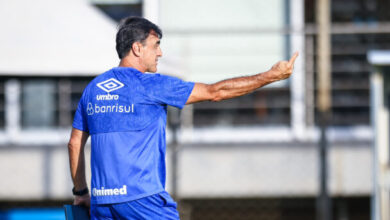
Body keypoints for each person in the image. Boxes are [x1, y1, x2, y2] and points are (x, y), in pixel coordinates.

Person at [68, 16, 298, 220]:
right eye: (156, 45)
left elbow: (75, 143)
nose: (160, 52)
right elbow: (215, 92)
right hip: (143, 201)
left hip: (102, 204)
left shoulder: (93, 89)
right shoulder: (150, 84)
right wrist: (270, 76)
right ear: (137, 48)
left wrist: (81, 193)